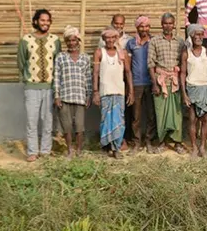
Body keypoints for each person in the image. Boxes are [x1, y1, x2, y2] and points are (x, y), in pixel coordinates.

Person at [18, 9, 62, 162]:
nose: (45, 23)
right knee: (32, 120)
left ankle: (45, 151)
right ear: (36, 21)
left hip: (50, 87)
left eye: (48, 20)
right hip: (32, 87)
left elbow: (58, 63)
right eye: (42, 20)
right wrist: (28, 79)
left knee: (48, 120)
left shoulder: (55, 40)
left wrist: (57, 87)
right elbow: (21, 62)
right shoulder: (26, 40)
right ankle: (32, 151)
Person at [52, 25, 92, 158]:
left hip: (80, 97)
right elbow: (57, 77)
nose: (71, 43)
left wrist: (88, 95)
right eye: (68, 40)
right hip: (65, 96)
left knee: (80, 126)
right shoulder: (61, 57)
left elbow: (88, 78)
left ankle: (79, 150)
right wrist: (57, 95)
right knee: (67, 126)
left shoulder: (85, 58)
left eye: (74, 40)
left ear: (78, 41)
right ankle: (69, 150)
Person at [149, 12, 186, 153]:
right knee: (161, 113)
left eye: (170, 23)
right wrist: (154, 83)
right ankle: (162, 142)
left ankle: (177, 142)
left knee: (176, 114)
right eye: (165, 23)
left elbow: (183, 64)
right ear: (161, 24)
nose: (168, 26)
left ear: (174, 24)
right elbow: (151, 64)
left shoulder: (180, 41)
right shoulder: (155, 41)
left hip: (175, 81)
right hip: (161, 81)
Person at [95, 27, 134, 158]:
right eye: (107, 38)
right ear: (104, 39)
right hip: (105, 91)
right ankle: (106, 147)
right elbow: (95, 73)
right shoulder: (100, 52)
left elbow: (128, 72)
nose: (110, 40)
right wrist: (95, 91)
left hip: (119, 91)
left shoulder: (122, 53)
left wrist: (131, 91)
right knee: (105, 120)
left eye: (113, 38)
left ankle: (116, 148)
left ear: (117, 39)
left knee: (118, 121)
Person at [180, 24, 207, 157]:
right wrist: (184, 94)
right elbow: (182, 73)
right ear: (191, 36)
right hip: (191, 88)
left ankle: (203, 147)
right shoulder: (186, 53)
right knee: (192, 119)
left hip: (205, 88)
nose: (199, 37)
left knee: (205, 119)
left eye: (201, 34)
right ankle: (194, 147)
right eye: (196, 35)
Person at [124, 15, 156, 152]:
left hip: (151, 82)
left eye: (147, 26)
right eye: (141, 26)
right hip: (136, 83)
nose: (144, 29)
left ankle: (149, 141)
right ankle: (136, 142)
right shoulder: (131, 43)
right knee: (136, 116)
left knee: (151, 114)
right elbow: (128, 68)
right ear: (137, 27)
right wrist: (130, 87)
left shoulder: (154, 42)